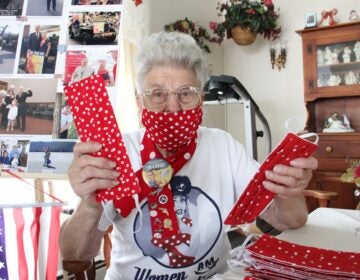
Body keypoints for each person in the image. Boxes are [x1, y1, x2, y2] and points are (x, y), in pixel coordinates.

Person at [59, 32, 318, 279]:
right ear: (140, 103)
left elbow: (289, 220)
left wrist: (289, 192)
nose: (173, 107)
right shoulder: (115, 156)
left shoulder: (222, 146)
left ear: (201, 100)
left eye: (186, 93)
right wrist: (90, 205)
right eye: (158, 94)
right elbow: (74, 255)